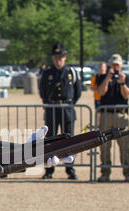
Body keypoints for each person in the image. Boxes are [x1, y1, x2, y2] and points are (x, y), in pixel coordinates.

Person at [39, 43, 81, 180]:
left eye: (61, 57)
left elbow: (77, 92)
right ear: (53, 58)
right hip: (52, 109)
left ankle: (70, 169)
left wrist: (69, 104)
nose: (58, 59)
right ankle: (49, 170)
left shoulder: (71, 73)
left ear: (65, 58)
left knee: (69, 140)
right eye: (56, 57)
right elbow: (42, 91)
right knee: (50, 140)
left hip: (67, 110)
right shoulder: (47, 73)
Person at [96, 53, 129, 182]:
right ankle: (105, 173)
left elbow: (126, 95)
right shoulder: (102, 77)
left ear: (121, 65)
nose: (115, 67)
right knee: (104, 146)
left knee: (124, 146)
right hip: (106, 114)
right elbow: (100, 92)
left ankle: (128, 173)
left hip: (121, 114)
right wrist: (107, 78)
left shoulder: (126, 77)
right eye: (113, 65)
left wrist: (122, 83)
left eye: (117, 65)